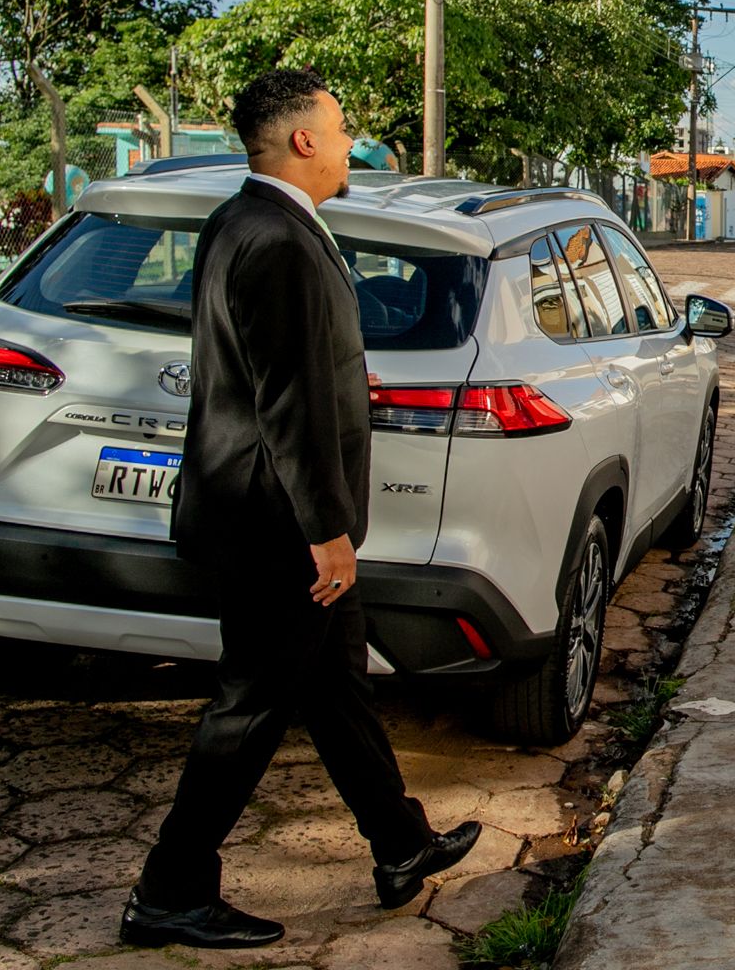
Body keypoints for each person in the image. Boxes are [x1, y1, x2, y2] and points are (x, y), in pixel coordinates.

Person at [121, 69, 478, 950]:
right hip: (278, 523)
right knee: (250, 705)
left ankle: (399, 843)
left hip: (276, 514)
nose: (353, 140)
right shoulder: (275, 238)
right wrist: (327, 531)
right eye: (342, 126)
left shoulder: (247, 221)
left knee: (339, 687)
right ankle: (169, 890)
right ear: (304, 141)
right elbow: (288, 400)